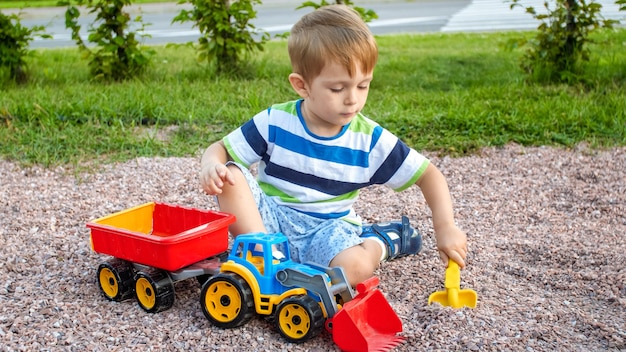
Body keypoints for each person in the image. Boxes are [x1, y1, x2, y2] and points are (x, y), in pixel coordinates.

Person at [199, 4, 467, 287]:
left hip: (328, 231)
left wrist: (445, 226)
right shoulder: (275, 121)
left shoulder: (368, 140)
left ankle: (382, 241)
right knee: (230, 176)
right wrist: (211, 164)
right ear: (302, 86)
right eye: (338, 89)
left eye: (363, 85)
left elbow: (429, 175)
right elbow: (221, 149)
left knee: (356, 268)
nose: (352, 99)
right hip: (270, 223)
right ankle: (266, 263)